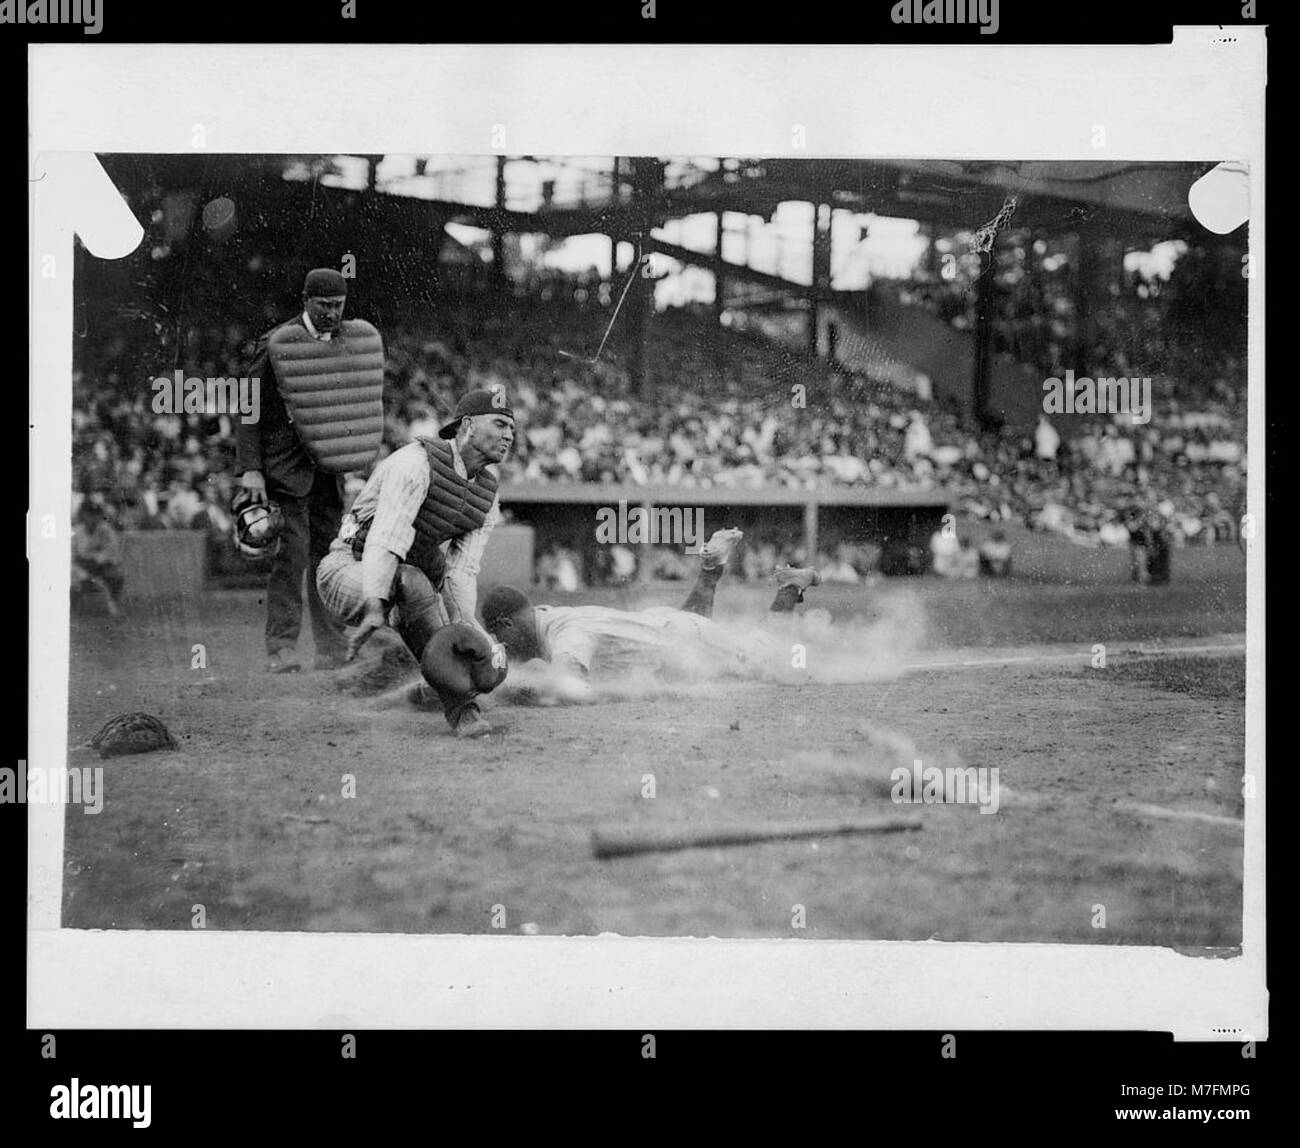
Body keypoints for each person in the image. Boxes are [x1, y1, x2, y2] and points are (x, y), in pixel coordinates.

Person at [315, 388, 515, 738]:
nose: (509, 435)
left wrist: (469, 633)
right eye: (499, 424)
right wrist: (376, 605)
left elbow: (461, 573)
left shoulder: (487, 494)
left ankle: (427, 691)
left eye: (512, 428)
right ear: (466, 425)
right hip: (348, 568)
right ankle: (462, 709)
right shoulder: (416, 463)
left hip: (406, 580)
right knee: (411, 579)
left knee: (461, 637)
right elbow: (384, 540)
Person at [480, 529, 822, 703]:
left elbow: (571, 688)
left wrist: (521, 692)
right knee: (694, 620)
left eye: (500, 639)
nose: (504, 648)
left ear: (508, 623)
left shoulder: (565, 633)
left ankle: (791, 587)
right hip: (666, 630)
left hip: (679, 639)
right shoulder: (547, 616)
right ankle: (711, 565)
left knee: (762, 659)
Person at [235, 269, 354, 673]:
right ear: (305, 301)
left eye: (338, 306)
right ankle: (281, 648)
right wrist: (249, 468)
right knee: (293, 556)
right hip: (284, 467)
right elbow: (248, 404)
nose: (331, 314)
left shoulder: (346, 343)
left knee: (329, 560)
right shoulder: (276, 342)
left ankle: (332, 648)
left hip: (327, 469)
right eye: (324, 306)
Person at [72, 501, 124, 615]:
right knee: (73, 583)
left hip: (99, 567)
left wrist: (95, 561)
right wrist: (84, 575)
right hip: (77, 569)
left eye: (96, 514)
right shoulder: (74, 532)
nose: (93, 518)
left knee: (116, 575)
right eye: (89, 514)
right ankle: (71, 610)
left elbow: (111, 554)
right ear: (83, 515)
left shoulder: (107, 531)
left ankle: (113, 603)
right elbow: (70, 559)